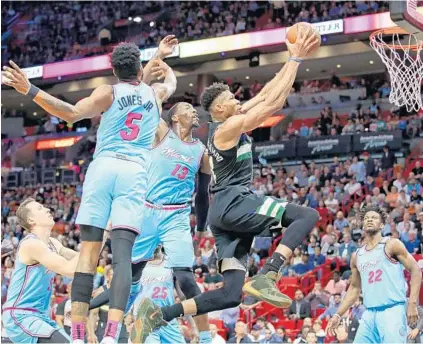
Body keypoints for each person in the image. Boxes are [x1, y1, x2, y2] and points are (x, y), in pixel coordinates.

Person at [130, 23, 321, 342]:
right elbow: (271, 105)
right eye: (232, 97)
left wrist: (289, 59)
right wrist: (296, 60)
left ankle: (159, 315)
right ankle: (269, 274)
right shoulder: (224, 129)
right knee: (307, 216)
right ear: (220, 108)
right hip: (235, 203)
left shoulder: (229, 122)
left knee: (231, 294)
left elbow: (265, 96)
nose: (238, 99)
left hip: (225, 218)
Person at [2, 36, 178, 344]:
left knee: (88, 252)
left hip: (103, 168)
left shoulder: (107, 92)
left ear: (113, 69)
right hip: (134, 173)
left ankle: (80, 334)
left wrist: (29, 89)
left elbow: (70, 113)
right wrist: (163, 60)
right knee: (123, 258)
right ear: (140, 67)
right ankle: (111, 335)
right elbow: (163, 84)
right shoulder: (156, 93)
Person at [90, 102, 212, 343]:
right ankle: (112, 333)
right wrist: (157, 65)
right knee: (132, 275)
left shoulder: (201, 151)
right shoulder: (162, 133)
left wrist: (200, 228)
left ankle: (206, 338)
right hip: (147, 210)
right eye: (188, 108)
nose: (194, 111)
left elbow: (203, 195)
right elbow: (147, 102)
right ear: (175, 116)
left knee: (186, 278)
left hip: (176, 215)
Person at [326, 204, 422, 343]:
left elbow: (415, 270)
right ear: (363, 225)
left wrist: (412, 303)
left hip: (392, 310)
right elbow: (354, 288)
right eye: (367, 218)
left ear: (382, 225)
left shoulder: (391, 244)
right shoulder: (357, 255)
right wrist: (338, 314)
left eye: (374, 218)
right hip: (369, 313)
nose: (370, 220)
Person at [2, 198, 81, 343]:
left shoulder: (53, 243)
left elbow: (86, 263)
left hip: (40, 316)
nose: (46, 209)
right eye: (39, 208)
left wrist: (102, 235)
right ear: (31, 220)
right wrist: (89, 242)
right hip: (21, 315)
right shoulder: (31, 244)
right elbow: (70, 269)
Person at [133, 246, 185, 344]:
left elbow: (182, 296)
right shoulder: (137, 264)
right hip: (145, 321)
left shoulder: (171, 264)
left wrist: (193, 325)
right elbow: (130, 294)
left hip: (168, 320)